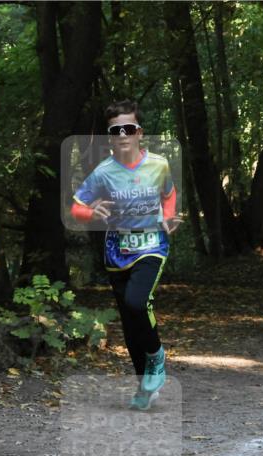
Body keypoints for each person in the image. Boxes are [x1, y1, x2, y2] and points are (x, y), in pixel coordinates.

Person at [70, 100, 180, 410]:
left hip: (152, 246)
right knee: (130, 323)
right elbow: (76, 208)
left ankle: (156, 357)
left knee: (136, 302)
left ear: (139, 133)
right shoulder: (103, 173)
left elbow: (169, 195)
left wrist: (169, 217)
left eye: (128, 129)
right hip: (116, 250)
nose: (123, 135)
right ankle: (145, 384)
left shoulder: (158, 165)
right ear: (109, 136)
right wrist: (91, 212)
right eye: (116, 130)